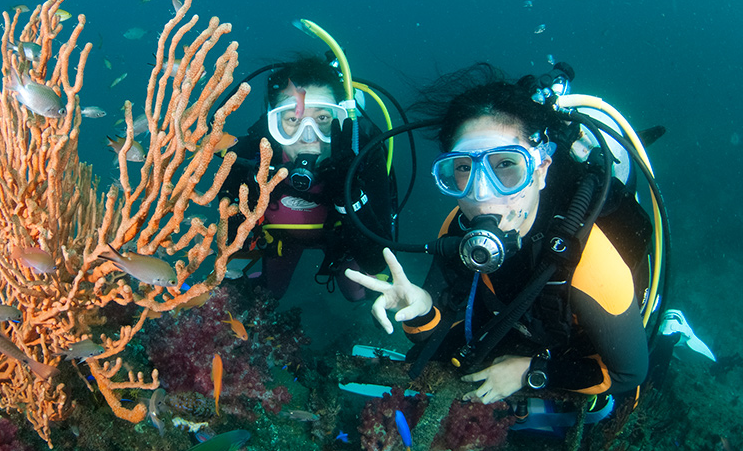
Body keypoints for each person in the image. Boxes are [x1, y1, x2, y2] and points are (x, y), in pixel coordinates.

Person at [346, 63, 650, 406]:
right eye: (462, 168)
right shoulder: (457, 226)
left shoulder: (591, 262)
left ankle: (671, 332)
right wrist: (418, 307)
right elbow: (432, 335)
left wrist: (530, 371)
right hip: (518, 324)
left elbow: (629, 373)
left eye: (506, 164)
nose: (481, 194)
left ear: (540, 171)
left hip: (579, 342)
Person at [220, 56, 393, 301]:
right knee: (267, 295)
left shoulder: (365, 156)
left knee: (357, 294)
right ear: (273, 123)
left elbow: (376, 261)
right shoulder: (248, 156)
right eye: (293, 120)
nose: (309, 136)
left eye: (323, 118)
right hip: (282, 241)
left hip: (343, 241)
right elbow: (229, 239)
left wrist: (349, 191)